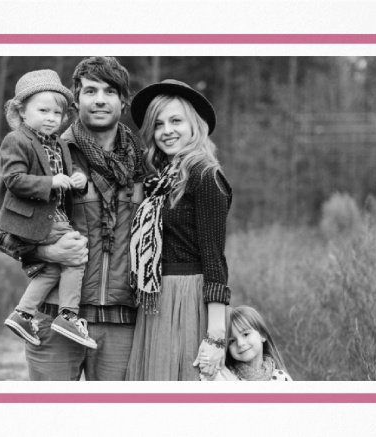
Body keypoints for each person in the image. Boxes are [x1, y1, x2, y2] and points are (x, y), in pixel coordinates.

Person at [18, 57, 145, 381]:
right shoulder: (45, 153)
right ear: (76, 100)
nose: (100, 99)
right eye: (90, 90)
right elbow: (8, 231)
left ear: (123, 100)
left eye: (110, 91)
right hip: (54, 315)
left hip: (122, 322)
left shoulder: (144, 165)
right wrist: (48, 253)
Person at [126, 79, 232, 381]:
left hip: (188, 298)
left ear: (194, 125)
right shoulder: (160, 181)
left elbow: (214, 259)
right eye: (158, 124)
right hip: (156, 297)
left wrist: (215, 336)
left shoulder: (205, 175)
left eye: (176, 121)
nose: (167, 131)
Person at [0, 69, 96, 349]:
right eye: (43, 110)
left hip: (52, 215)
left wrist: (79, 178)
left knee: (51, 270)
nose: (51, 118)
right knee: (76, 254)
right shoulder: (17, 140)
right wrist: (51, 182)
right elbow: (13, 180)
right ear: (22, 113)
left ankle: (23, 313)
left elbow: (72, 168)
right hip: (34, 216)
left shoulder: (60, 144)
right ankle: (68, 316)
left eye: (57, 113)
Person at [199, 306, 293, 381]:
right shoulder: (225, 376)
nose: (240, 343)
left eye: (246, 334)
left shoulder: (281, 379)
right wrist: (207, 362)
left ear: (262, 335)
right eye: (232, 341)